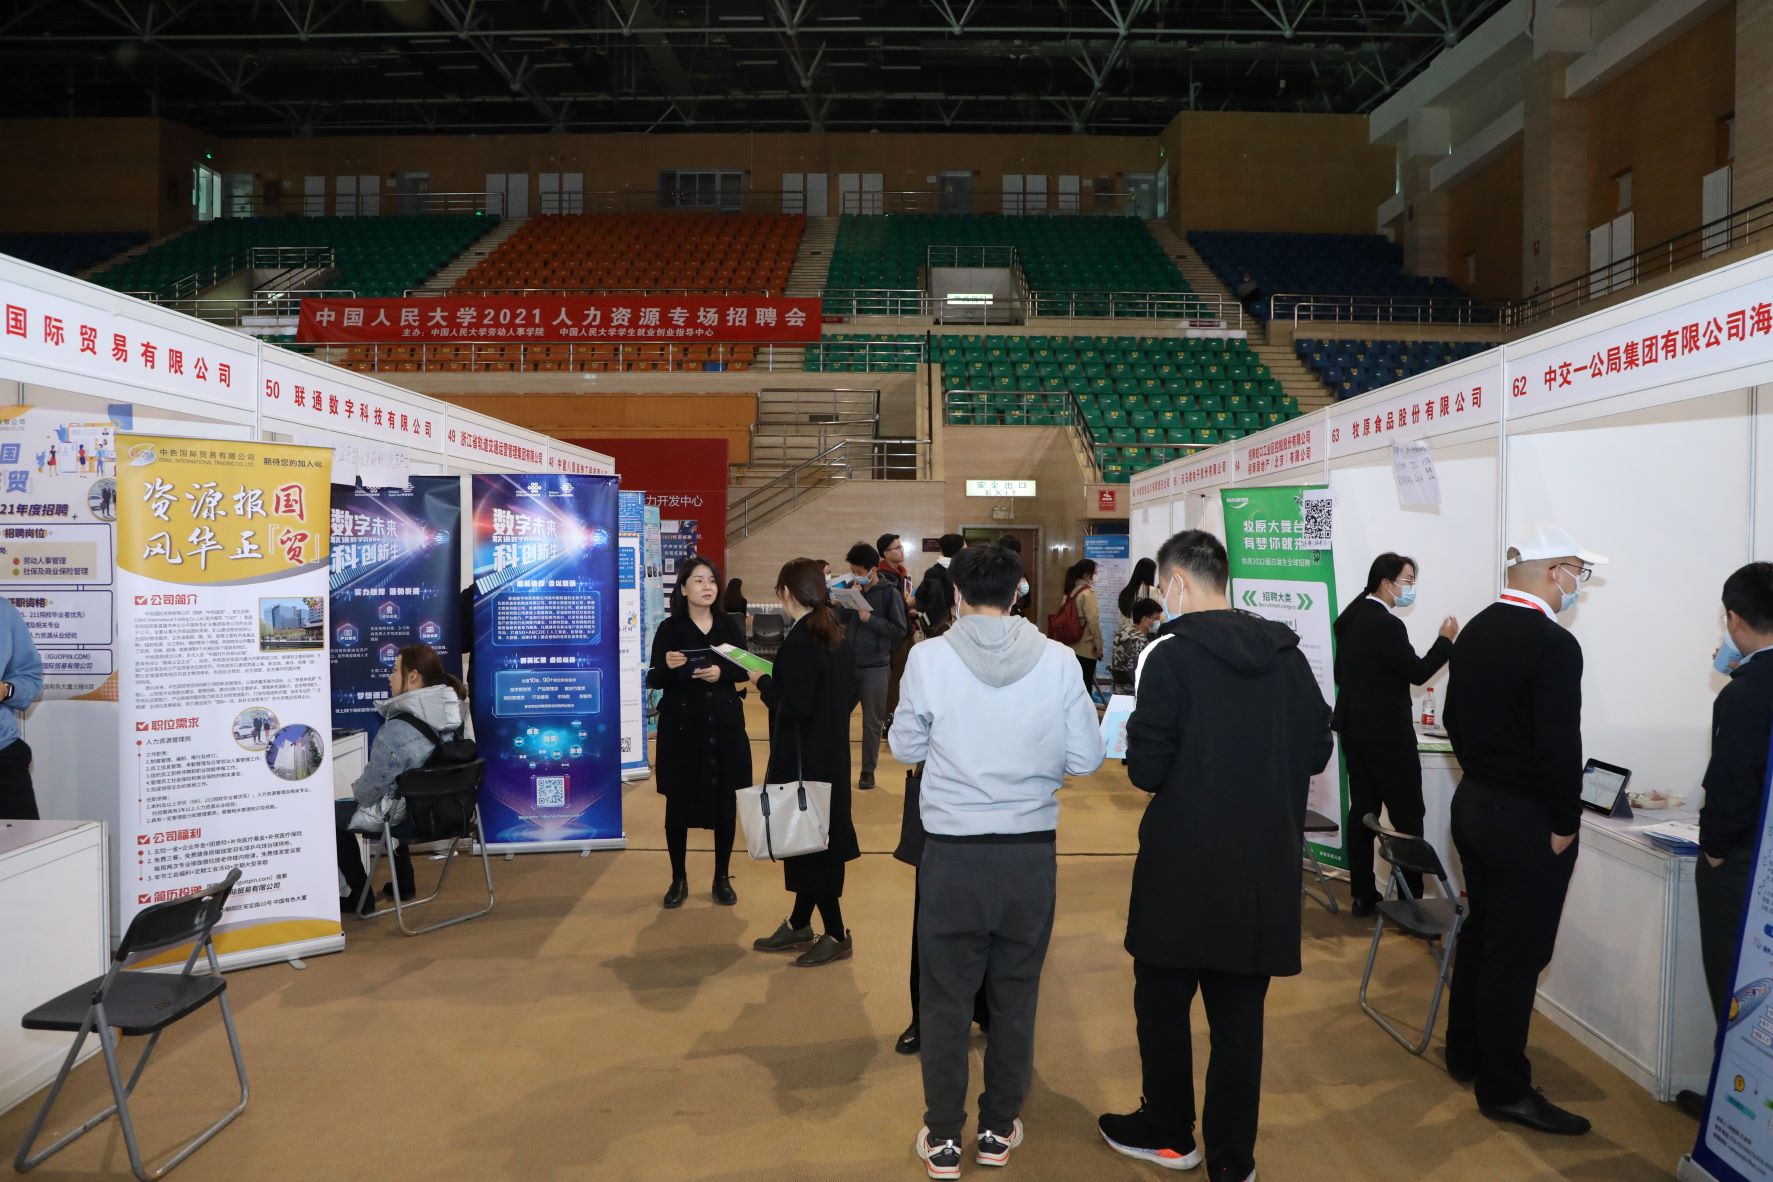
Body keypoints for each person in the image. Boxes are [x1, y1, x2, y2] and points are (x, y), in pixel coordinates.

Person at [1099, 530, 1331, 1182]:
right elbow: (1317, 749)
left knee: (1162, 1006)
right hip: (1262, 865)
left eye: (1160, 587)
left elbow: (1147, 770)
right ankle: (1232, 1162)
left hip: (1181, 862)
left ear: (1175, 583)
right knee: (1239, 1023)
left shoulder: (1168, 655)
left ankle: (1170, 1133)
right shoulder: (1286, 653)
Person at [891, 544, 1105, 1178]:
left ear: (957, 594)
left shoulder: (928, 658)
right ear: (1017, 594)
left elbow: (904, 745)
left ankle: (943, 1137)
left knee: (944, 1000)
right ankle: (995, 1129)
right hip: (1028, 854)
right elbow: (1087, 758)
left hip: (952, 855)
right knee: (1015, 996)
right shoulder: (1059, 660)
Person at [1441, 523, 1606, 1136]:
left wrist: (1485, 772)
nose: (1578, 585)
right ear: (1554, 570)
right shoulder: (1554, 645)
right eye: (1578, 572)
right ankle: (1505, 1088)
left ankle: (1465, 1053)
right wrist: (1564, 820)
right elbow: (1559, 744)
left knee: (1483, 934)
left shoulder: (1477, 628)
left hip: (1475, 804)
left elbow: (1454, 717)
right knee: (1517, 954)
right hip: (1526, 821)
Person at [1676, 563, 1773, 1117]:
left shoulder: (1741, 696)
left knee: (1736, 988)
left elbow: (1732, 784)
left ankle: (1729, 1108)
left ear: (1735, 620)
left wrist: (1713, 849)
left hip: (1740, 864)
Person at [1331, 553, 1459, 916]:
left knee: (1363, 811)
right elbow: (1417, 672)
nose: (1411, 588)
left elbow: (1342, 674)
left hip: (1355, 733)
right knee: (1407, 816)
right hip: (1388, 737)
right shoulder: (1385, 624)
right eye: (1407, 581)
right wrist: (1445, 642)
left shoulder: (1352, 618)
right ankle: (1410, 900)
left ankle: (1362, 895)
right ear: (1386, 583)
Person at [750, 558, 861, 967]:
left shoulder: (801, 640)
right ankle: (799, 922)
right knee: (811, 841)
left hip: (804, 759)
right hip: (830, 755)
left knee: (814, 847)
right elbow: (850, 694)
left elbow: (793, 705)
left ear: (785, 593)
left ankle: (836, 933)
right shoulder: (833, 632)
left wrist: (762, 681)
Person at [648, 557, 753, 909]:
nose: (707, 587)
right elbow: (654, 679)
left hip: (724, 723)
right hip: (682, 727)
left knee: (725, 802)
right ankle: (678, 878)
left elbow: (745, 670)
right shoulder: (670, 629)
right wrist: (669, 667)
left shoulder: (728, 625)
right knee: (678, 803)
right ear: (683, 588)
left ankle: (721, 877)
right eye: (698, 580)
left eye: (711, 580)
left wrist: (721, 673)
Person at [335, 644, 465, 913]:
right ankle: (404, 882)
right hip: (451, 812)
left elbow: (368, 793)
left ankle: (360, 898)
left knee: (334, 815)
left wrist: (355, 790)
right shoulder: (454, 715)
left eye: (394, 670)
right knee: (401, 793)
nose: (389, 676)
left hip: (413, 818)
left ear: (413, 676)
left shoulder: (395, 730)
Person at [845, 541, 908, 791]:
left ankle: (867, 771)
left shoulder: (889, 593)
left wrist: (870, 619)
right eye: (853, 571)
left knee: (872, 723)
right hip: (849, 664)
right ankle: (837, 764)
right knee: (837, 715)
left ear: (873, 569)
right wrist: (844, 602)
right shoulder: (853, 589)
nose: (856, 575)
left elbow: (899, 630)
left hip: (876, 667)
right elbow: (840, 620)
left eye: (859, 572)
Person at [0, 597, 44, 819]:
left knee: (26, 839)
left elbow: (29, 676)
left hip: (4, 756)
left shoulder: (3, 611)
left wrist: (6, 690)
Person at [879, 532, 916, 720]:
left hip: (906, 629)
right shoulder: (883, 576)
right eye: (897, 548)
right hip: (895, 634)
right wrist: (907, 605)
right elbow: (890, 607)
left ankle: (901, 713)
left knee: (907, 675)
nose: (901, 551)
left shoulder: (900, 573)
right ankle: (889, 717)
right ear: (885, 553)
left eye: (901, 547)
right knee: (896, 677)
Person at [1061, 559, 1104, 696]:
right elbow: (1093, 621)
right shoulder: (1087, 593)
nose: (1097, 575)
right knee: (1086, 686)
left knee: (1073, 685)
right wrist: (1098, 646)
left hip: (1070, 644)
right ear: (1086, 575)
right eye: (1095, 572)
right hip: (1085, 646)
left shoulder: (1070, 591)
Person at [915, 534, 965, 639]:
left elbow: (923, 600)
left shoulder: (931, 572)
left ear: (941, 550)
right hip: (951, 624)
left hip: (936, 626)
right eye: (965, 546)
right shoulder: (963, 573)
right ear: (961, 550)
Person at [1109, 597, 1162, 696]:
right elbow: (1137, 673)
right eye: (1156, 618)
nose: (1158, 622)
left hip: (1118, 690)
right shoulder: (1138, 640)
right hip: (1131, 693)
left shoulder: (1125, 632)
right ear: (1145, 619)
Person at [1117, 557, 1158, 626]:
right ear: (1149, 574)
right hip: (1144, 631)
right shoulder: (1152, 592)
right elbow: (1156, 620)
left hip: (1126, 631)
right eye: (1154, 573)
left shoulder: (1124, 592)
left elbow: (1121, 618)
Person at [997, 535, 1032, 617]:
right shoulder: (993, 572)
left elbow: (1027, 600)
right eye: (1011, 551)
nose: (1014, 555)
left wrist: (1018, 600)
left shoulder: (1020, 572)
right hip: (996, 615)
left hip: (1014, 614)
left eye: (1016, 552)